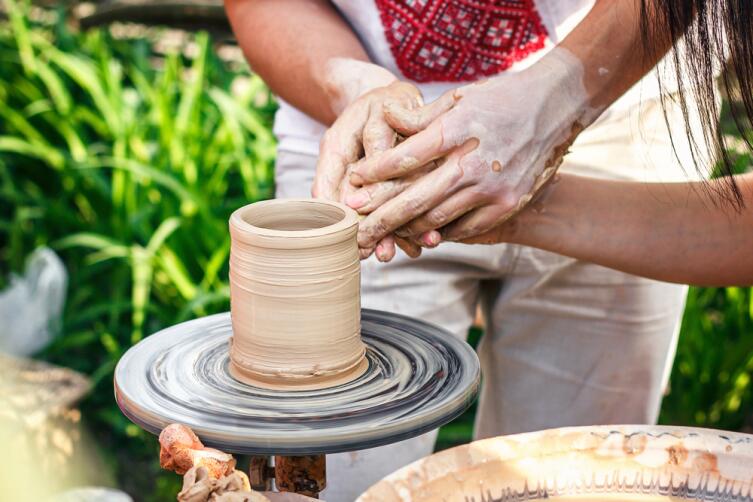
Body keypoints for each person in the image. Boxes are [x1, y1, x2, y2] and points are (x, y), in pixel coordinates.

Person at [224, 1, 716, 500]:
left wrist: (565, 92)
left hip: (621, 103)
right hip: (369, 151)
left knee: (576, 478)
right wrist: (354, 87)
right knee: (333, 480)